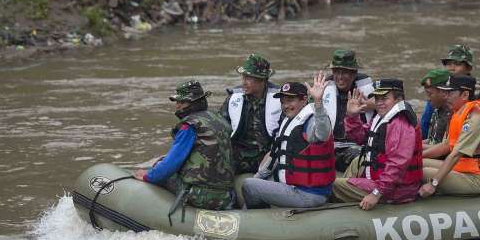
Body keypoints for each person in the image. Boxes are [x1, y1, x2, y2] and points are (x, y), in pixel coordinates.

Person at [134, 80, 235, 210]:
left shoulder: (189, 126)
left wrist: (147, 176)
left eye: (181, 102)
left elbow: (171, 164)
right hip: (227, 197)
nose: (177, 105)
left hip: (199, 196)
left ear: (193, 103)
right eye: (177, 102)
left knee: (159, 166)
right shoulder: (220, 120)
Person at [242, 73, 335, 208]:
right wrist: (258, 177)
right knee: (255, 181)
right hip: (292, 186)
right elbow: (275, 155)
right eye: (283, 101)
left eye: (290, 100)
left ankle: (249, 221)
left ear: (304, 100)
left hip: (309, 194)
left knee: (248, 185)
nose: (285, 105)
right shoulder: (288, 122)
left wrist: (319, 103)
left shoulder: (312, 120)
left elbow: (323, 135)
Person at [331, 79, 423, 210]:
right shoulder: (383, 118)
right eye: (377, 98)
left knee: (331, 184)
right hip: (380, 181)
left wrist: (376, 193)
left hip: (396, 191)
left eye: (384, 98)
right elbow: (361, 137)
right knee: (358, 160)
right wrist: (352, 117)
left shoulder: (400, 124)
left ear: (399, 99)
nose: (379, 103)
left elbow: (398, 163)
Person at [420, 74, 480, 197]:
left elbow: (455, 155)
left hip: (479, 179)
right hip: (464, 168)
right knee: (419, 163)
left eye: (450, 93)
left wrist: (433, 184)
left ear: (465, 95)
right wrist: (415, 156)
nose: (446, 97)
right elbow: (447, 145)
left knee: (424, 172)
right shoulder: (460, 112)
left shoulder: (476, 119)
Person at [420, 45, 480, 140]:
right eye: (448, 64)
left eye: (457, 64)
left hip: (469, 144)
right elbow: (425, 122)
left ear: (468, 68)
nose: (452, 68)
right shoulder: (437, 90)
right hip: (441, 144)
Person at [221, 53, 282, 174]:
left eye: (249, 78)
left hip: (269, 155)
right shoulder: (233, 98)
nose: (243, 82)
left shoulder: (280, 99)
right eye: (243, 77)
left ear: (262, 80)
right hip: (238, 157)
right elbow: (220, 127)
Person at [321, 49, 376, 171]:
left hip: (359, 146)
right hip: (331, 146)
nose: (340, 77)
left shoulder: (368, 87)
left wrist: (366, 104)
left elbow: (392, 103)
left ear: (353, 73)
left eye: (344, 73)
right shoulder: (323, 88)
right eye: (336, 72)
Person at [421, 68, 451, 147]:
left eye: (430, 94)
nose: (428, 98)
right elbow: (433, 140)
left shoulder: (451, 113)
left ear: (444, 93)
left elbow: (443, 148)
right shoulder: (437, 109)